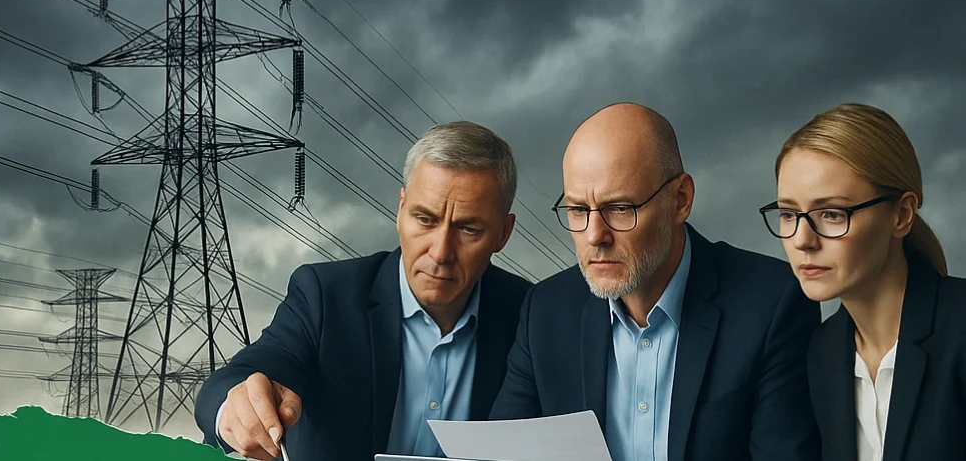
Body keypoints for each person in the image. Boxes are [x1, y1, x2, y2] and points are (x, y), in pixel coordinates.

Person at [489, 102, 822, 461]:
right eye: (578, 210)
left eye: (619, 208)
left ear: (680, 200)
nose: (594, 235)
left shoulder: (771, 304)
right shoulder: (546, 311)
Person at [194, 120, 532, 461]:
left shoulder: (530, 316)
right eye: (425, 220)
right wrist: (234, 408)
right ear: (401, 210)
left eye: (468, 228)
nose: (441, 252)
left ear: (503, 233)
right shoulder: (326, 297)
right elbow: (239, 377)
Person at [759, 102, 966, 461]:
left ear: (901, 215)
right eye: (789, 214)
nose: (802, 240)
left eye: (832, 214)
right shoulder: (822, 353)